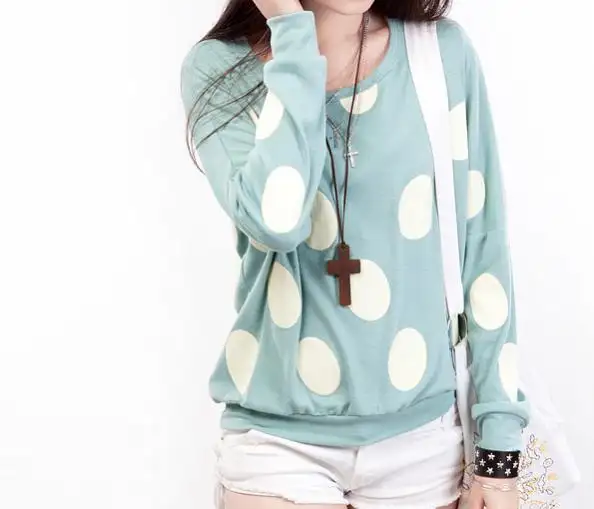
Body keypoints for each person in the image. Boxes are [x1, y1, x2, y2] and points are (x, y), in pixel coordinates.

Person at [180, 1, 529, 508]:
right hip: (279, 440)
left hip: (425, 443)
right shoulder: (221, 68)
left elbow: (485, 252)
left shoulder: (440, 54)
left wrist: (499, 458)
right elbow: (277, 222)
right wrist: (292, 35)